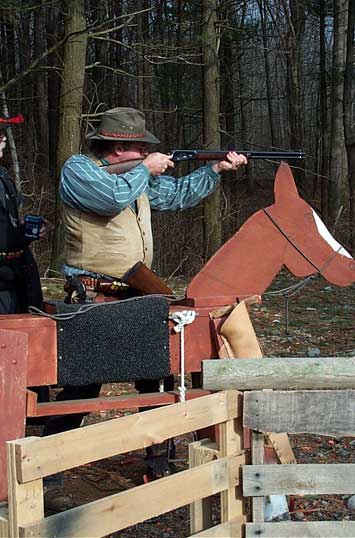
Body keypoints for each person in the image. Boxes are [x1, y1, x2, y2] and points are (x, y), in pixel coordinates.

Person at [43, 107, 247, 478]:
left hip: (138, 290)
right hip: (92, 295)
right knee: (82, 386)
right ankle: (45, 468)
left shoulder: (136, 176)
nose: (144, 150)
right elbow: (108, 199)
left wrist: (215, 169)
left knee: (156, 378)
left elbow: (175, 196)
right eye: (139, 145)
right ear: (118, 146)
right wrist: (144, 169)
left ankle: (159, 465)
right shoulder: (79, 169)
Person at [0, 114, 44, 314]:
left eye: (3, 133)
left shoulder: (3, 177)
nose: (4, 139)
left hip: (15, 278)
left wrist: (23, 233)